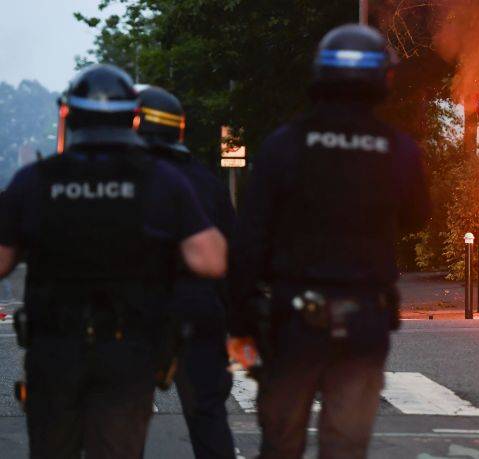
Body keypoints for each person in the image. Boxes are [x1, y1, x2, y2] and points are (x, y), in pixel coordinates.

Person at [0, 64, 227, 458]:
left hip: (55, 348)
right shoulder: (163, 180)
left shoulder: (35, 180)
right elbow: (211, 260)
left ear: (69, 115)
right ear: (133, 117)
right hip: (128, 350)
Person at [227, 24, 430, 458]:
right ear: (383, 80)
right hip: (364, 323)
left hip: (293, 321)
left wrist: (240, 318)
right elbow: (418, 217)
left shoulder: (285, 145)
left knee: (280, 442)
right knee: (346, 446)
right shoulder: (399, 150)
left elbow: (249, 237)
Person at [136, 85, 236, 459]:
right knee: (207, 417)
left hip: (137, 315)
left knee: (121, 419)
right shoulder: (205, 181)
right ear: (178, 129)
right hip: (198, 312)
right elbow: (231, 254)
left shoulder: (123, 177)